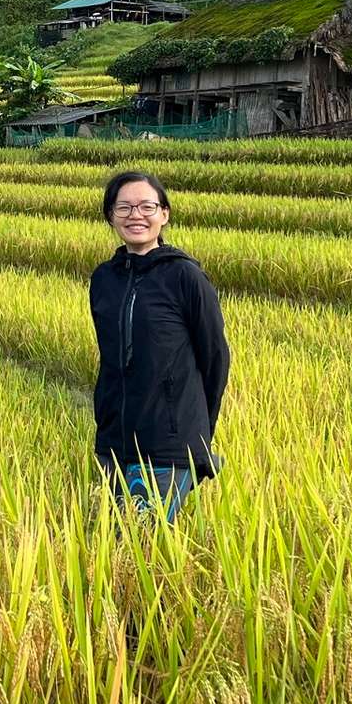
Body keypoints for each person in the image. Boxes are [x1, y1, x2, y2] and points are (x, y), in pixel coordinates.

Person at [88, 170, 229, 523]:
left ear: (164, 214)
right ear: (110, 217)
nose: (136, 215)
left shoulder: (185, 277)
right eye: (124, 207)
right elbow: (112, 360)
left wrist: (196, 431)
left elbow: (215, 359)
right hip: (114, 441)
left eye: (147, 206)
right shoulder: (104, 279)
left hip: (168, 442)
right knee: (117, 540)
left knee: (144, 546)